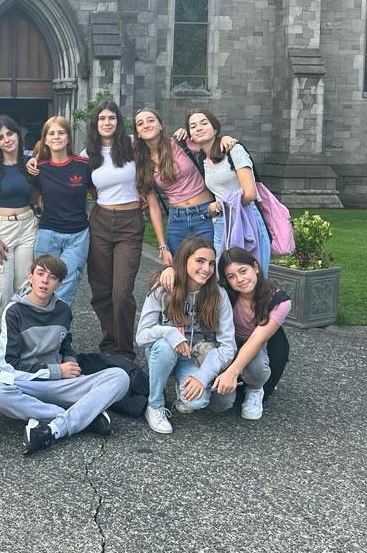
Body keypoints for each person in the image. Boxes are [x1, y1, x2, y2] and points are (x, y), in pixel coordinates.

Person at [0, 255, 130, 456]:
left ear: (59, 284)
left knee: (120, 377)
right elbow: (8, 364)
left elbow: (65, 344)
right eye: (40, 274)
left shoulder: (63, 310)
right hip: (27, 382)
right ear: (30, 277)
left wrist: (70, 362)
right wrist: (56, 371)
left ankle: (52, 424)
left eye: (52, 277)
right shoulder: (14, 311)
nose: (44, 281)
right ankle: (81, 419)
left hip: (59, 385)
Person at [83, 100, 168, 360]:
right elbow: (75, 177)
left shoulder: (133, 145)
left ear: (119, 122)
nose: (107, 122)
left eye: (112, 118)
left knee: (121, 292)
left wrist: (162, 244)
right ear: (95, 123)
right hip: (100, 221)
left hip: (130, 223)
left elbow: (162, 141)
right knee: (101, 290)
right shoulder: (88, 154)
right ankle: (109, 346)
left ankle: (124, 351)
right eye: (102, 118)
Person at [136, 236, 235, 435]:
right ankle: (155, 405)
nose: (206, 269)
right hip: (163, 351)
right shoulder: (163, 288)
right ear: (184, 260)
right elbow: (141, 337)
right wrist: (169, 332)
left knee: (198, 401)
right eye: (200, 261)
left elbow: (228, 346)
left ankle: (182, 385)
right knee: (165, 347)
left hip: (195, 356)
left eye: (211, 263)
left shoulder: (218, 295)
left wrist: (202, 377)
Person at [133, 108, 235, 258]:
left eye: (151, 120)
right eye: (140, 123)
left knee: (210, 264)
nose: (146, 125)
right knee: (179, 267)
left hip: (205, 214)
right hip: (176, 220)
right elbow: (153, 206)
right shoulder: (142, 162)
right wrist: (162, 246)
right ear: (137, 133)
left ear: (161, 125)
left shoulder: (181, 143)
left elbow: (209, 143)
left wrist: (224, 138)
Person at [0, 115, 38, 366]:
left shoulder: (29, 163)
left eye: (10, 134)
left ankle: (17, 343)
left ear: (18, 134)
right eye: (1, 137)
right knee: (0, 291)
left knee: (24, 288)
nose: (7, 140)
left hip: (27, 226)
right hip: (0, 228)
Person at [185, 108, 271, 273]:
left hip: (245, 218)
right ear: (191, 136)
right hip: (221, 223)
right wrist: (215, 208)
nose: (199, 128)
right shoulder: (202, 160)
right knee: (222, 277)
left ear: (215, 128)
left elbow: (250, 193)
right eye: (193, 126)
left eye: (204, 123)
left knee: (251, 276)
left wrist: (218, 206)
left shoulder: (234, 150)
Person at [212, 247, 291, 419]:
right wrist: (169, 271)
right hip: (230, 342)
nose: (239, 280)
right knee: (220, 404)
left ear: (255, 267)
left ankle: (255, 389)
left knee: (257, 369)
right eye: (231, 276)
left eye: (243, 271)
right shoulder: (224, 294)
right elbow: (194, 280)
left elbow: (257, 339)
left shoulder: (279, 301)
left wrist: (232, 372)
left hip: (264, 345)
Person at [31, 116, 91, 306]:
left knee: (67, 284)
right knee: (43, 284)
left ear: (68, 137)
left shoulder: (83, 165)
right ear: (45, 139)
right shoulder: (38, 169)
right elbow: (32, 196)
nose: (56, 137)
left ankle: (58, 323)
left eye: (61, 133)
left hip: (77, 235)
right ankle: (39, 321)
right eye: (51, 133)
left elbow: (98, 193)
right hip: (48, 233)